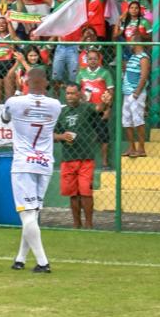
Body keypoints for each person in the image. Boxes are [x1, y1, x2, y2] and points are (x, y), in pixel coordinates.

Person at [2, 66, 61, 272]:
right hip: (44, 163)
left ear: (25, 81)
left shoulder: (14, 102)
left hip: (23, 163)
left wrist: (17, 91)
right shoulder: (55, 105)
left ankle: (43, 262)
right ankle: (20, 259)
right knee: (32, 215)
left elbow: (5, 118)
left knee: (27, 215)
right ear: (47, 83)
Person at [53, 83, 99, 229]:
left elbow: (99, 109)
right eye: (67, 93)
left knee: (86, 192)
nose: (70, 96)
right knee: (73, 193)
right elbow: (52, 135)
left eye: (73, 93)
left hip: (85, 157)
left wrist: (105, 102)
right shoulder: (62, 112)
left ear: (79, 94)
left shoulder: (87, 108)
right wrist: (62, 136)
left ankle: (89, 224)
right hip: (68, 157)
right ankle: (76, 224)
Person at [121, 36, 150, 158]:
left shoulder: (143, 58)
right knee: (126, 121)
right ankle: (131, 147)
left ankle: (141, 148)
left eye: (131, 41)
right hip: (127, 93)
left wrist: (137, 93)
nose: (129, 43)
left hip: (136, 94)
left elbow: (144, 76)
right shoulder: (132, 56)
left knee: (138, 120)